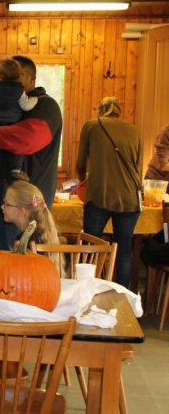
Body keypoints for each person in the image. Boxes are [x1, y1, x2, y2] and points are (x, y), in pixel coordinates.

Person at [0, 55, 62, 252]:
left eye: (17, 78)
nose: (10, 84)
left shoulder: (45, 106)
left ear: (31, 80)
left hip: (26, 210)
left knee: (23, 268)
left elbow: (26, 139)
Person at [76, 96, 141, 288]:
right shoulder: (134, 130)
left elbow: (80, 163)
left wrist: (83, 181)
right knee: (123, 251)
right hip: (129, 198)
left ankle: (87, 291)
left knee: (91, 248)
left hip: (99, 195)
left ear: (100, 111)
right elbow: (137, 166)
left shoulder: (91, 126)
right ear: (119, 112)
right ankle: (120, 295)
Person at [0, 58, 38, 182]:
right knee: (16, 145)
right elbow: (26, 105)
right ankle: (16, 169)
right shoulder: (19, 90)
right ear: (18, 76)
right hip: (10, 122)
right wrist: (35, 99)